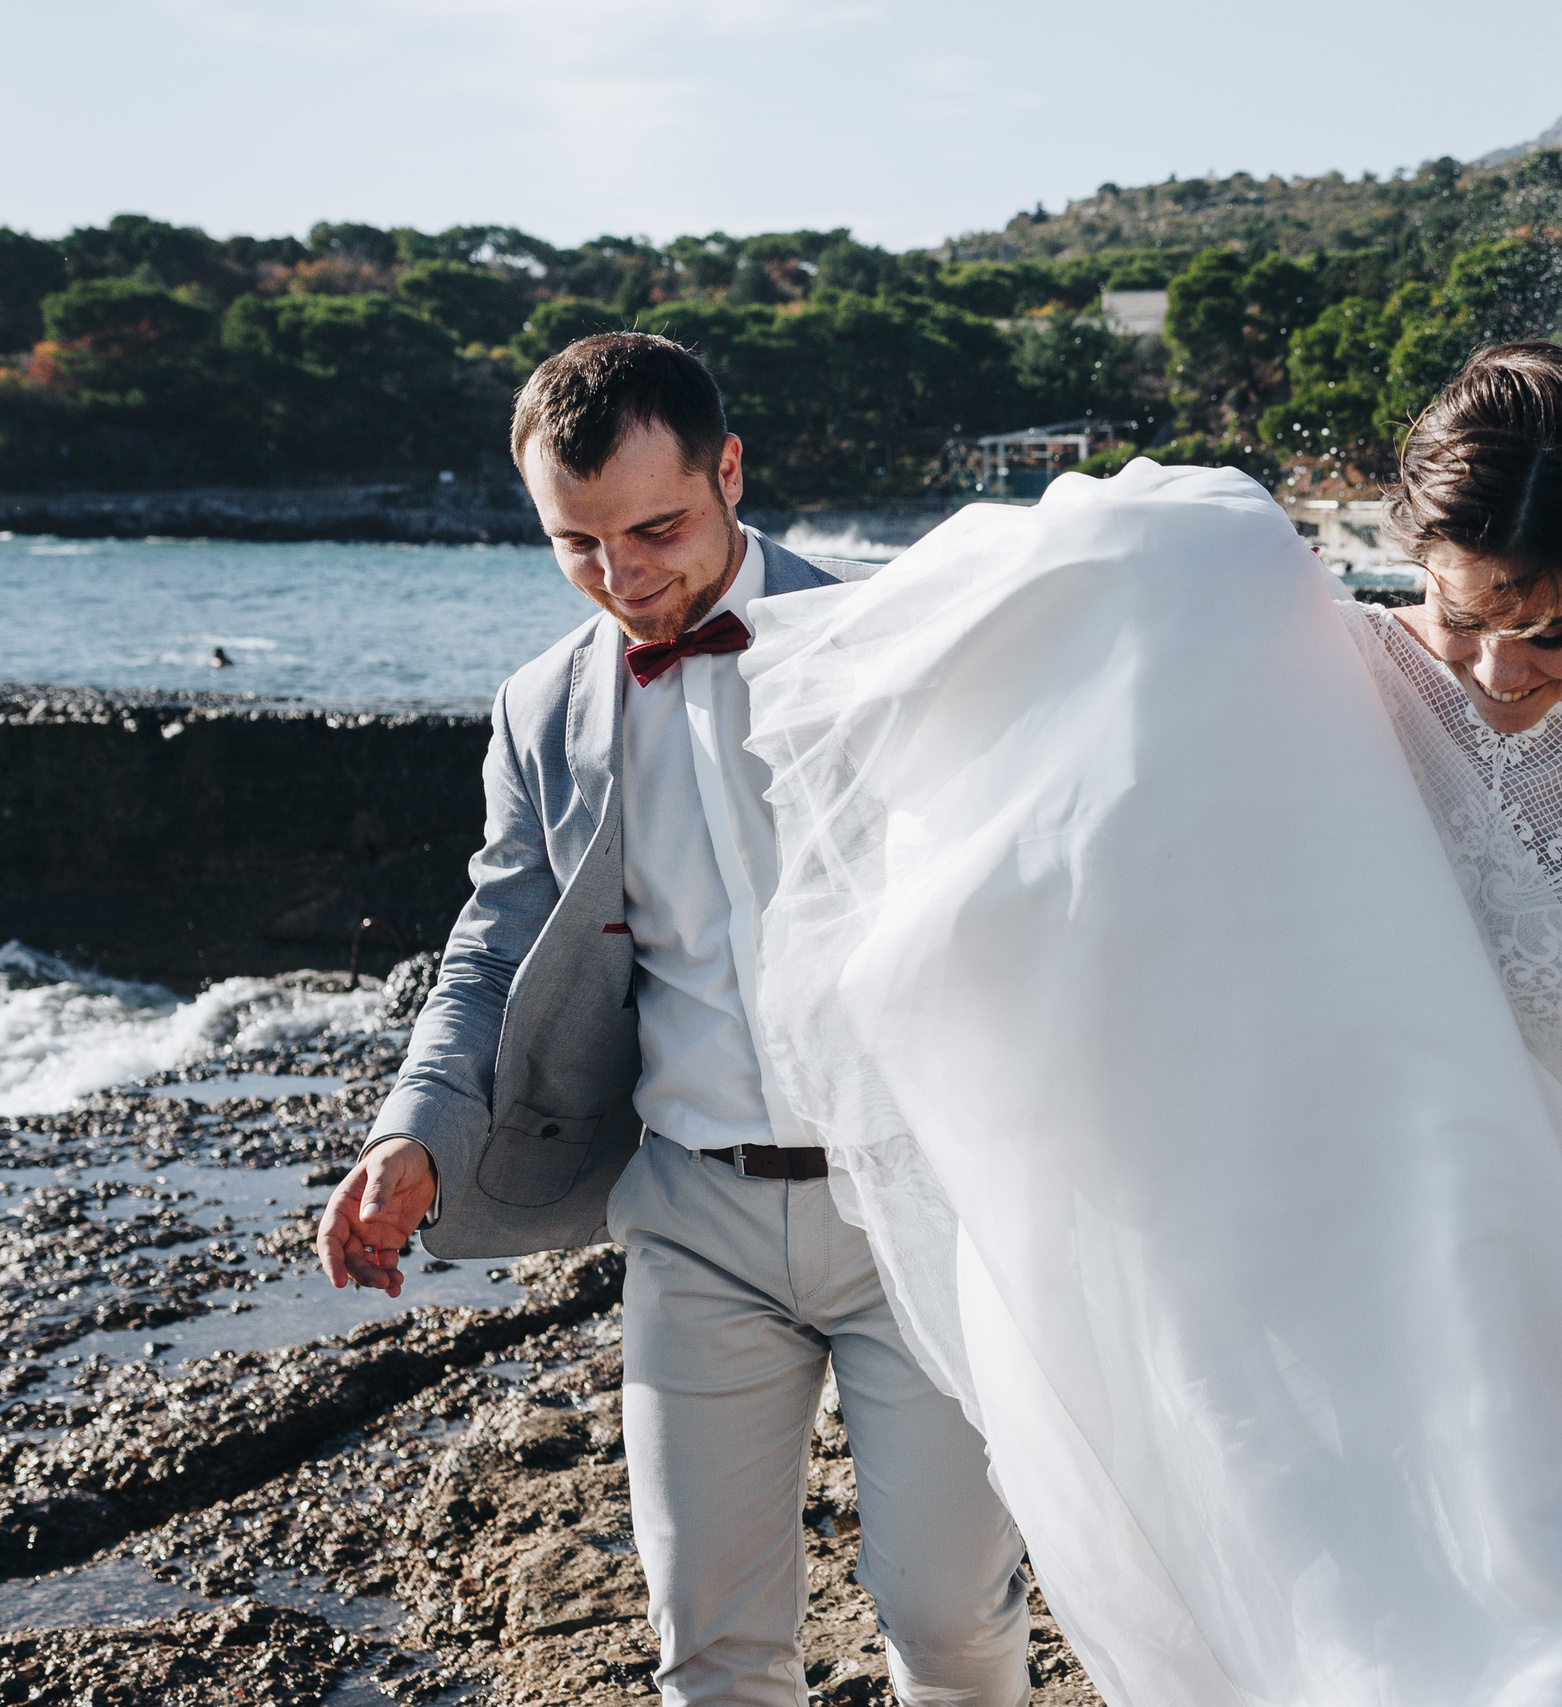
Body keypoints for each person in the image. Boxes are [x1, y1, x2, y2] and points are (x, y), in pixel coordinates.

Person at [740, 342, 1562, 1704]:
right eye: (1460, 620)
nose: (1500, 669)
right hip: (1315, 1322)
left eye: (1553, 630)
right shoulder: (1295, 679)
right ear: (1415, 559)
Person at [313, 333, 1032, 1707]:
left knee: (946, 1618)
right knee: (710, 1653)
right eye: (578, 546)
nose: (624, 576)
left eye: (657, 529)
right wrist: (415, 1131)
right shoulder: (541, 709)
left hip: (913, 1210)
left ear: (733, 473)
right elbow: (494, 942)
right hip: (691, 1217)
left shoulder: (891, 645)